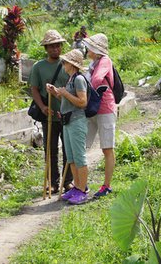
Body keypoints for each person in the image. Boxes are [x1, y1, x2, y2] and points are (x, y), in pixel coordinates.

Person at [28, 30, 73, 193]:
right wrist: (42, 107)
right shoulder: (38, 67)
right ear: (46, 49)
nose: (55, 49)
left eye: (58, 46)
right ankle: (53, 182)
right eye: (51, 47)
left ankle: (67, 181)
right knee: (50, 149)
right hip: (49, 116)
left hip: (67, 114)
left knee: (68, 149)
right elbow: (34, 89)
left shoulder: (67, 64)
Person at [46, 49, 89, 205]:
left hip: (77, 121)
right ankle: (77, 187)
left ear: (72, 64)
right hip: (68, 121)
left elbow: (82, 102)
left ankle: (83, 190)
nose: (63, 64)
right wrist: (57, 92)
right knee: (71, 158)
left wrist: (64, 94)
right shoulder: (70, 79)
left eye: (65, 62)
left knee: (79, 157)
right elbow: (69, 98)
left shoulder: (78, 79)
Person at [83, 33, 117, 198]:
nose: (87, 49)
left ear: (95, 49)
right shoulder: (93, 63)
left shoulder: (104, 61)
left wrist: (84, 89)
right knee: (83, 146)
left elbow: (96, 80)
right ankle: (81, 182)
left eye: (89, 47)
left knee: (107, 149)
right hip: (92, 110)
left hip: (105, 109)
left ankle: (106, 186)